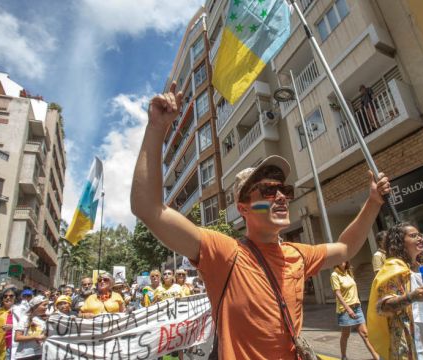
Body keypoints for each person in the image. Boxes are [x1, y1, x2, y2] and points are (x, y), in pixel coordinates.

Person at [130, 83, 390, 359]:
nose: (281, 197)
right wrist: (156, 129)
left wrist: (373, 203)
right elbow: (148, 208)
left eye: (284, 190)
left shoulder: (298, 254)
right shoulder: (225, 253)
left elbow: (346, 248)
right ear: (243, 208)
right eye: (267, 191)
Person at [368, 222, 423, 360]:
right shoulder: (394, 270)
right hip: (411, 341)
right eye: (413, 236)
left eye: (420, 235)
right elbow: (383, 307)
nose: (420, 238)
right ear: (400, 242)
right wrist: (411, 297)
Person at [331, 261, 379, 360]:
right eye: (339, 259)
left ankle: (376, 357)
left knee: (365, 334)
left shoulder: (349, 272)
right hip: (345, 310)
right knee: (345, 335)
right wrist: (348, 309)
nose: (342, 261)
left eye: (343, 258)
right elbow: (338, 293)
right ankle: (343, 356)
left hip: (357, 308)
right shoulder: (334, 275)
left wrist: (357, 302)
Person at [12, 296, 48, 360]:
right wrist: (35, 337)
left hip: (39, 354)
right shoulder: (25, 318)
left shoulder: (44, 320)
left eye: (47, 305)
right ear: (35, 306)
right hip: (25, 355)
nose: (46, 307)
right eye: (44, 305)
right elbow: (17, 337)